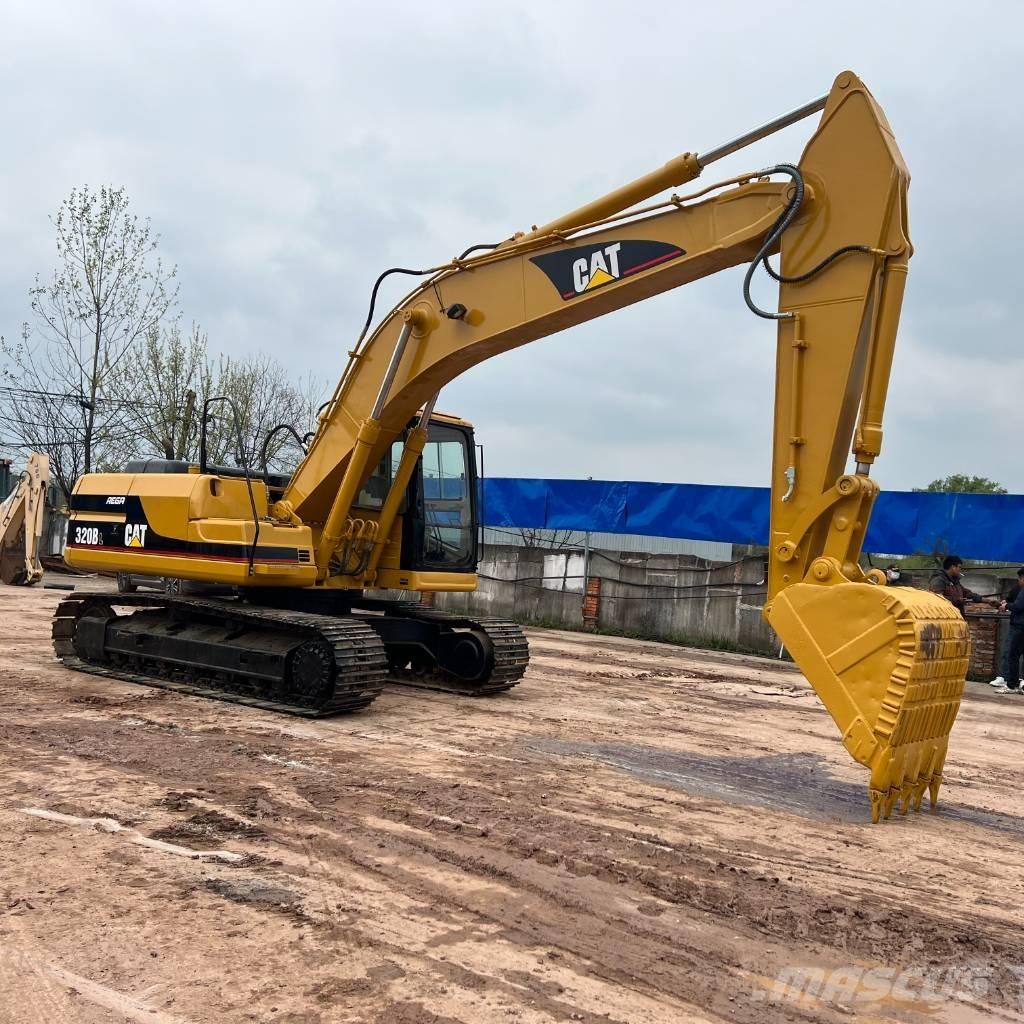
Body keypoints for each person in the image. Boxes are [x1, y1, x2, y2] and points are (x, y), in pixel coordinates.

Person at [989, 567, 1024, 690]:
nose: (1018, 582)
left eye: (1019, 579)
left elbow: (1018, 606)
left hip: (1020, 626)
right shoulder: (1017, 589)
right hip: (1019, 625)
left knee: (1012, 654)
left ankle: (1011, 683)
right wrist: (1008, 603)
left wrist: (1006, 606)